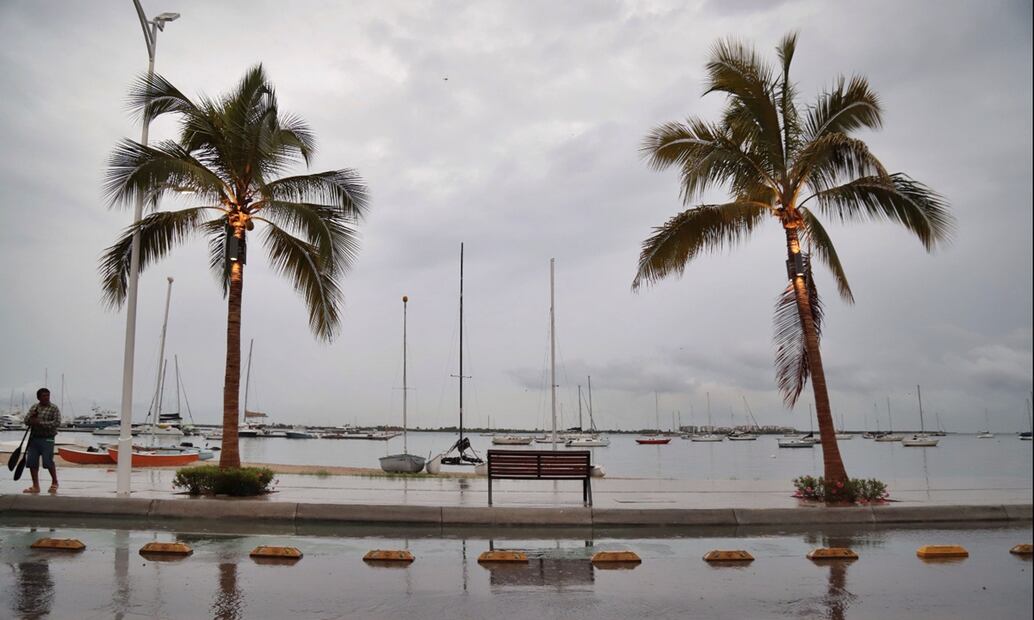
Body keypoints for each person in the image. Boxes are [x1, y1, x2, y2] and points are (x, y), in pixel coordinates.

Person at [23, 387, 60, 494]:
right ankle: (36, 486)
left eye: (48, 395)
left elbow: (56, 423)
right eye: (44, 396)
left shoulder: (54, 408)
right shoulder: (34, 408)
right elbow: (26, 421)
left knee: (48, 462)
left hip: (48, 438)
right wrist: (31, 420)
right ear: (38, 397)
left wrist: (40, 423)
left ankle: (55, 482)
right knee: (32, 462)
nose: (46, 397)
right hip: (34, 439)